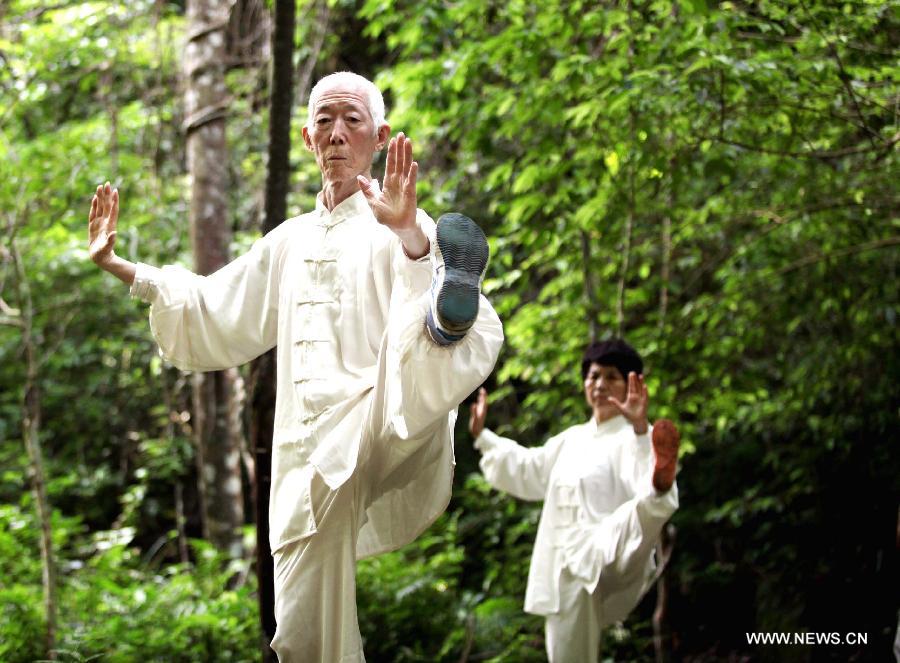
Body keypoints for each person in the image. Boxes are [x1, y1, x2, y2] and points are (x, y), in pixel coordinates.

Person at [88, 71, 503, 662]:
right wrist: (123, 267)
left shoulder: (398, 218)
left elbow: (418, 251)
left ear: (379, 137)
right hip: (295, 455)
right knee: (301, 630)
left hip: (377, 417)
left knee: (423, 306)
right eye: (325, 121)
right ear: (308, 138)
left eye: (352, 120)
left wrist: (411, 234)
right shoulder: (287, 241)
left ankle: (445, 320)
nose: (337, 133)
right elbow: (213, 303)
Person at [468, 338, 679, 663]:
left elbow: (637, 479)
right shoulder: (571, 440)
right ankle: (658, 492)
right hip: (566, 567)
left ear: (630, 385)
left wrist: (639, 428)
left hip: (612, 553)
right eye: (593, 376)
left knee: (638, 509)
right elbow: (528, 467)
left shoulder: (630, 436)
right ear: (584, 384)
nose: (600, 384)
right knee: (567, 652)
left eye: (611, 377)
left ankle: (661, 486)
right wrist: (483, 436)